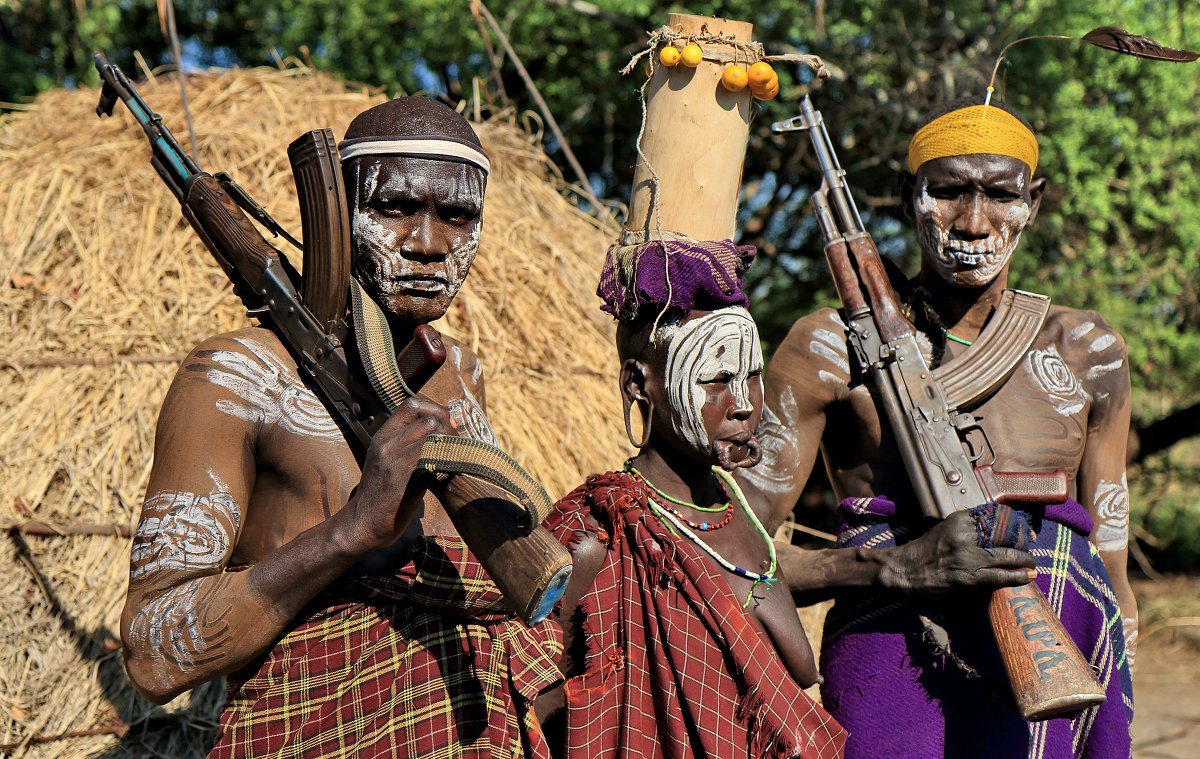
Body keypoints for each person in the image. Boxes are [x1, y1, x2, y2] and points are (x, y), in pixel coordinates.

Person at [121, 97, 563, 758]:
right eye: (394, 207)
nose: (429, 241)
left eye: (458, 215)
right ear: (339, 215)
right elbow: (152, 652)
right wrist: (349, 533)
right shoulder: (236, 374)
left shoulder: (458, 372)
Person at [743, 97, 1135, 757]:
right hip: (892, 667)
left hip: (1063, 656)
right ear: (906, 195)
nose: (974, 220)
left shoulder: (1089, 351)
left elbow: (1114, 579)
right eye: (949, 190)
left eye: (1001, 195)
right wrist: (890, 566)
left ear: (1034, 202)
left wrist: (1117, 677)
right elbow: (733, 556)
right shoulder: (827, 350)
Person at [539, 241, 846, 759]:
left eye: (751, 374)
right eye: (717, 380)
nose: (745, 403)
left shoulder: (740, 511)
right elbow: (540, 712)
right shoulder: (598, 539)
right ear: (639, 384)